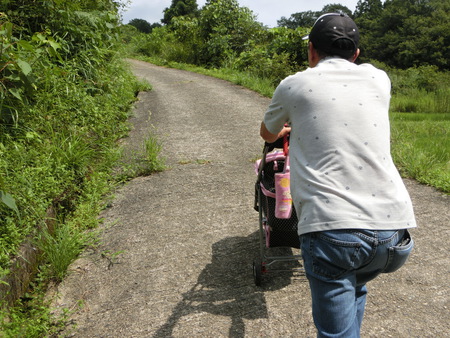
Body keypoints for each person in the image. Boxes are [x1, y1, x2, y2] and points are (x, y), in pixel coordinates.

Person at [260, 12, 416, 338]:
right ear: (356, 54)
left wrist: (290, 127)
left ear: (311, 51)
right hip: (393, 236)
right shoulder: (379, 79)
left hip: (333, 233)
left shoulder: (293, 84)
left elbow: (268, 133)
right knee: (355, 282)